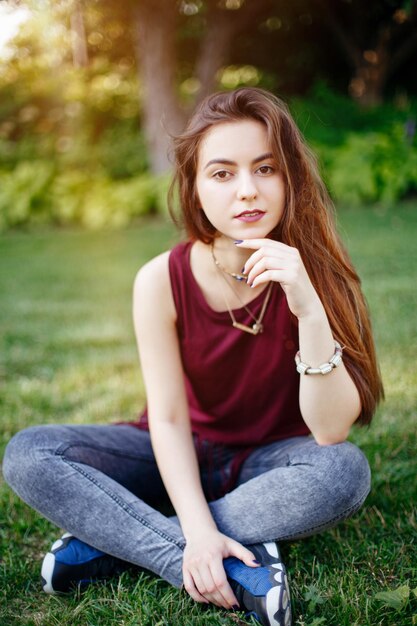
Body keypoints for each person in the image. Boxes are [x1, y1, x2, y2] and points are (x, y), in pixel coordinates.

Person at [3, 87, 384, 626]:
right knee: (29, 453)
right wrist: (199, 534)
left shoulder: (317, 273)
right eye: (223, 173)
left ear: (290, 176)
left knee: (344, 473)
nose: (247, 191)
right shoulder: (160, 278)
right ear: (196, 187)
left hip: (270, 464)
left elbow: (329, 432)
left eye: (266, 168)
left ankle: (117, 543)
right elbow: (169, 416)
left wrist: (310, 310)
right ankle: (193, 549)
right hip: (178, 454)